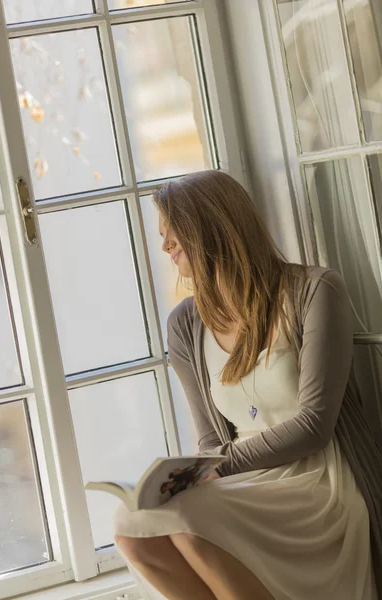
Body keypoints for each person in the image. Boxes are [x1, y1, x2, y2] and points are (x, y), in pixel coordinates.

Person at [114, 170, 382, 600]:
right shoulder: (185, 324)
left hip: (314, 478)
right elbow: (209, 439)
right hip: (241, 478)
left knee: (190, 519)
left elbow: (314, 425)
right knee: (132, 529)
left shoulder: (313, 291)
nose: (164, 246)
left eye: (172, 232)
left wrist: (219, 467)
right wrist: (193, 471)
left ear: (210, 227)